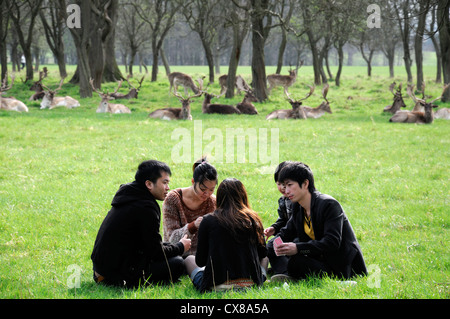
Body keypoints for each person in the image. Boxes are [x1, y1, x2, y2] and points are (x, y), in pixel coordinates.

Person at [91, 160, 191, 288]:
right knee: (177, 263)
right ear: (149, 184)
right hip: (114, 275)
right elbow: (156, 252)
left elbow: (149, 244)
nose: (168, 188)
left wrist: (173, 246)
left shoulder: (130, 195)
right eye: (164, 182)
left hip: (100, 270)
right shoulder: (145, 207)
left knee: (170, 253)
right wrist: (181, 247)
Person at [270, 161, 367, 281]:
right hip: (318, 258)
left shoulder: (329, 204)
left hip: (340, 264)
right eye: (284, 185)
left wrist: (298, 248)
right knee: (278, 251)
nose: (286, 190)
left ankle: (291, 275)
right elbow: (287, 231)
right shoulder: (298, 206)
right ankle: (284, 274)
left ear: (305, 183)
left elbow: (332, 242)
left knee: (296, 261)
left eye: (290, 185)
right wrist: (268, 244)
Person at [185, 178, 268, 292]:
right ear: (243, 196)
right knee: (266, 259)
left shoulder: (208, 220)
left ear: (219, 197)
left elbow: (200, 262)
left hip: (216, 284)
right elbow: (262, 254)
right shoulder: (253, 219)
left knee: (189, 259)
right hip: (250, 283)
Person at [163, 157, 217, 256]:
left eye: (211, 190)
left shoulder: (213, 202)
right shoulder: (173, 199)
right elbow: (173, 240)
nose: (207, 193)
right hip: (177, 255)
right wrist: (194, 226)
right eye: (203, 189)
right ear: (193, 182)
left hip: (204, 257)